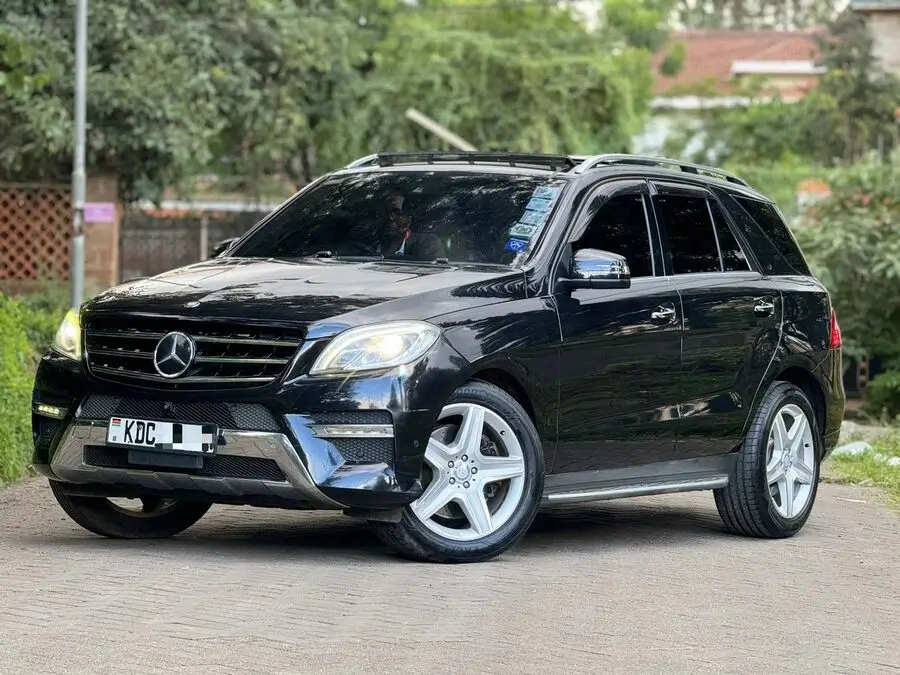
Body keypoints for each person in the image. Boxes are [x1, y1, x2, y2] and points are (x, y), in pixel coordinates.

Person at [382, 194, 445, 261]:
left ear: (409, 220)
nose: (391, 218)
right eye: (387, 213)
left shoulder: (429, 243)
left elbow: (425, 266)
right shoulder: (377, 243)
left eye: (397, 213)